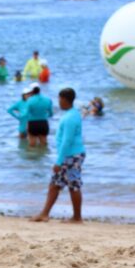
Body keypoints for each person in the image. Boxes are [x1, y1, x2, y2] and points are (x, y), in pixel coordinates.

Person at [31, 87, 85, 223]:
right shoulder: (72, 113)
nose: (58, 102)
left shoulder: (70, 118)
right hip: (68, 155)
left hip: (71, 156)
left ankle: (77, 217)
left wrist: (59, 162)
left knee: (74, 186)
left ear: (65, 100)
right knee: (54, 184)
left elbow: (67, 141)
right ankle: (44, 214)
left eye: (60, 99)